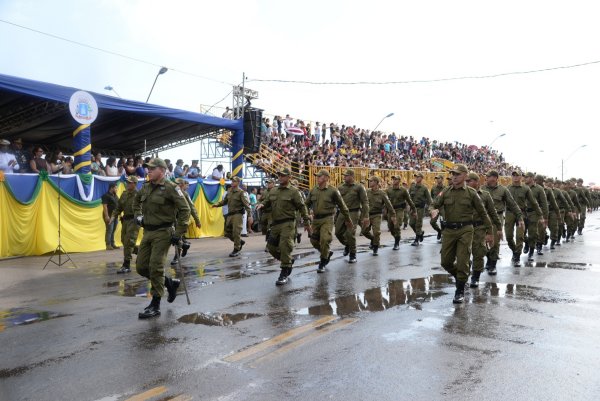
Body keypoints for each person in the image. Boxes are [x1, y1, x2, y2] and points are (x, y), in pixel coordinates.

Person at [133, 158, 190, 319]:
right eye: (148, 168)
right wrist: (138, 217)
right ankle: (169, 283)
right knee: (141, 267)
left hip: (163, 232)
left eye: (152, 168)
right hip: (148, 232)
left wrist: (178, 233)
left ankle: (155, 304)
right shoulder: (145, 187)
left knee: (155, 266)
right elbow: (136, 202)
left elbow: (185, 210)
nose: (148, 171)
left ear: (162, 171)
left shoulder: (171, 188)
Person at [430, 164, 493, 304]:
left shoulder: (471, 193)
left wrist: (490, 232)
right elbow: (434, 204)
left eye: (457, 174)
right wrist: (433, 210)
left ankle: (459, 291)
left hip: (465, 230)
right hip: (448, 231)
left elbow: (483, 213)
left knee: (463, 261)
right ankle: (461, 278)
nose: (454, 177)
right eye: (453, 174)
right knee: (445, 262)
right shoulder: (445, 192)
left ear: (465, 176)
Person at [256, 167, 311, 285]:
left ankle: (284, 272)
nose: (280, 177)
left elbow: (302, 207)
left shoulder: (294, 191)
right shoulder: (274, 190)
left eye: (283, 175)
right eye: (279, 175)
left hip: (288, 223)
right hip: (275, 224)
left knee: (284, 246)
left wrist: (307, 222)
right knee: (270, 247)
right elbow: (267, 201)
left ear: (289, 177)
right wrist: (262, 205)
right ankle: (288, 261)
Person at [305, 169, 352, 273]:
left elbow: (342, 206)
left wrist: (348, 219)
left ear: (326, 178)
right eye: (317, 176)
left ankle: (322, 261)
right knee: (313, 241)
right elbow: (306, 204)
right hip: (316, 220)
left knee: (325, 239)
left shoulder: (333, 190)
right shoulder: (313, 190)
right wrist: (306, 215)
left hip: (327, 218)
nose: (317, 178)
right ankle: (327, 252)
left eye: (320, 176)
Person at [480, 169, 524, 274]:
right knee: (480, 243)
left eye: (489, 176)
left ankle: (493, 265)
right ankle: (489, 258)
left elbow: (512, 204)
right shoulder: (481, 189)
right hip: (482, 218)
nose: (486, 178)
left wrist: (520, 217)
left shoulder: (503, 190)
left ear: (495, 178)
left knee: (494, 242)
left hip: (497, 218)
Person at [466, 172, 501, 288]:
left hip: (479, 227)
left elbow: (492, 213)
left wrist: (498, 228)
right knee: (463, 253)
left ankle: (475, 277)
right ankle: (464, 272)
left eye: (469, 181)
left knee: (478, 252)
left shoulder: (485, 195)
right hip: (465, 227)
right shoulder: (462, 194)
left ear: (476, 182)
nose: (466, 183)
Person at [506, 171, 541, 266]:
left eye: (517, 175)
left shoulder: (525, 189)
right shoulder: (507, 188)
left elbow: (533, 202)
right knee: (509, 237)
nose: (515, 177)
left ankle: (517, 256)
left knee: (519, 236)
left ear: (521, 177)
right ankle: (515, 251)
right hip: (509, 213)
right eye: (513, 175)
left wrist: (540, 215)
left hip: (521, 214)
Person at [212, 176, 252, 257]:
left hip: (238, 214)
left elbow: (247, 204)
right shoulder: (229, 191)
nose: (232, 182)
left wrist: (250, 216)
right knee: (227, 232)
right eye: (232, 181)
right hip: (230, 214)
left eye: (234, 181)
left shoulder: (241, 192)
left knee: (236, 232)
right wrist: (217, 204)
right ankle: (239, 241)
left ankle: (236, 249)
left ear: (238, 183)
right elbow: (225, 201)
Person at [335, 169, 369, 263]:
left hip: (354, 212)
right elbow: (336, 200)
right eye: (344, 175)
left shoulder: (359, 187)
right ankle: (347, 245)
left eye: (346, 175)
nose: (344, 177)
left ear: (352, 177)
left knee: (350, 233)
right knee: (338, 233)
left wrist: (365, 215)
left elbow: (365, 202)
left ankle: (353, 254)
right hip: (342, 213)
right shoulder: (340, 187)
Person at [110, 176, 140, 273]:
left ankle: (126, 264)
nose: (127, 184)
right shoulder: (124, 194)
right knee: (124, 240)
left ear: (134, 184)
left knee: (128, 241)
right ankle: (139, 252)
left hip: (134, 221)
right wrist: (113, 216)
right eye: (127, 182)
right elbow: (119, 207)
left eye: (129, 183)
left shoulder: (139, 195)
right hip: (125, 220)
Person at [361, 176, 396, 255]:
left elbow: (389, 205)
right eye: (369, 181)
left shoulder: (382, 193)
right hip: (368, 215)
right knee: (364, 231)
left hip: (377, 215)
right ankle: (373, 239)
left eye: (371, 181)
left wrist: (393, 214)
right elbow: (363, 203)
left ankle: (375, 247)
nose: (370, 182)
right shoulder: (367, 192)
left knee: (376, 232)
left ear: (376, 183)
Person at [170, 178, 201, 265]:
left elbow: (192, 207)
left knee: (177, 237)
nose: (177, 186)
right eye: (176, 184)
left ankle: (177, 256)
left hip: (181, 220)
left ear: (183, 185)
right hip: (172, 219)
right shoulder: (170, 194)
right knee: (171, 237)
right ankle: (184, 245)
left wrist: (197, 220)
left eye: (179, 184)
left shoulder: (185, 194)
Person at [386, 175, 416, 250]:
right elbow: (385, 201)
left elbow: (409, 200)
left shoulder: (403, 190)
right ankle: (397, 237)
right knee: (391, 227)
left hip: (399, 210)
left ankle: (396, 243)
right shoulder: (388, 190)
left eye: (395, 179)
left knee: (397, 226)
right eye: (393, 179)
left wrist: (414, 209)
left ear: (399, 181)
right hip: (391, 211)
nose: (394, 180)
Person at [524, 172, 548, 261]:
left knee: (533, 233)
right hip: (523, 213)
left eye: (526, 177)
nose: (525, 178)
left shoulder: (539, 189)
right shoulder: (522, 187)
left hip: (534, 213)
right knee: (521, 233)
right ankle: (526, 242)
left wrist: (545, 217)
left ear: (531, 178)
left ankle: (531, 252)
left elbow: (544, 204)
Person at [408, 172, 432, 246]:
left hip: (420, 208)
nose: (416, 178)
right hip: (413, 208)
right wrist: (409, 206)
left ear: (421, 178)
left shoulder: (424, 188)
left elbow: (429, 199)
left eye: (418, 177)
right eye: (416, 177)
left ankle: (416, 239)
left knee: (418, 224)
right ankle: (420, 233)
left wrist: (431, 209)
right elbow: (409, 198)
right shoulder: (412, 187)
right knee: (411, 223)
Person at [102, 183, 119, 250]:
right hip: (109, 215)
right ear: (111, 188)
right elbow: (105, 206)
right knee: (109, 230)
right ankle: (108, 244)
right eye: (115, 188)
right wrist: (106, 216)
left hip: (115, 215)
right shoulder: (105, 196)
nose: (116, 189)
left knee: (113, 230)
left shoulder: (115, 195)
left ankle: (112, 243)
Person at [430, 174, 445, 240]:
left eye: (439, 178)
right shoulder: (433, 188)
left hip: (443, 207)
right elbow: (432, 196)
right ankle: (439, 231)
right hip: (436, 207)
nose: (437, 180)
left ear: (442, 179)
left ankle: (444, 236)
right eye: (437, 178)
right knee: (432, 222)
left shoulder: (445, 188)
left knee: (444, 221)